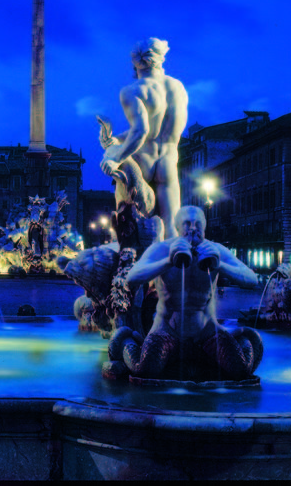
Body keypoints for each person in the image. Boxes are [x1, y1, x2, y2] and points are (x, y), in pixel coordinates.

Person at [116, 206, 262, 380]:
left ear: (205, 227)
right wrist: (168, 261)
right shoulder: (162, 249)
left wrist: (219, 265)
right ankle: (128, 341)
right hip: (168, 329)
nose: (193, 228)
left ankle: (242, 339)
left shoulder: (215, 250)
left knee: (240, 370)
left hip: (206, 330)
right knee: (147, 369)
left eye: (198, 223)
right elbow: (132, 278)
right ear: (178, 227)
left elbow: (252, 280)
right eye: (187, 223)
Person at [99, 38, 188, 238]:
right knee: (171, 234)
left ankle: (128, 265)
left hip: (144, 161)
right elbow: (159, 131)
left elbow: (141, 132)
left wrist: (116, 157)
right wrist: (119, 140)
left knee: (129, 227)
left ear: (134, 63)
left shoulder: (133, 91)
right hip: (168, 161)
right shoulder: (177, 88)